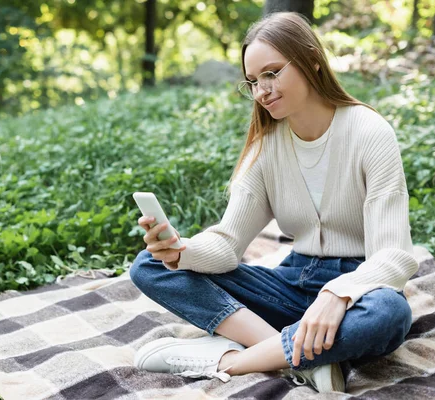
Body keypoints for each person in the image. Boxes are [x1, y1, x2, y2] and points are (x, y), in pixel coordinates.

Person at [128, 11, 418, 394]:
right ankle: (297, 355)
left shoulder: (369, 132)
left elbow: (394, 255)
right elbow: (228, 245)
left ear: (312, 59)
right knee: (151, 264)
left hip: (358, 293)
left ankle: (234, 360)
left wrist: (338, 293)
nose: (262, 90)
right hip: (293, 286)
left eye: (272, 73)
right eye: (252, 81)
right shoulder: (266, 146)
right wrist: (180, 251)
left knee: (390, 313)